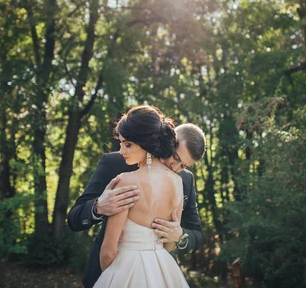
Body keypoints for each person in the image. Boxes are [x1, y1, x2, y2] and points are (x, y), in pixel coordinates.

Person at [68, 105, 205, 287]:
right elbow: (74, 218)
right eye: (176, 158)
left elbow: (197, 234)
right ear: (169, 141)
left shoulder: (184, 181)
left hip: (158, 275)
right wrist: (98, 207)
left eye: (184, 166)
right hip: (108, 272)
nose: (176, 168)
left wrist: (180, 235)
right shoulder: (116, 164)